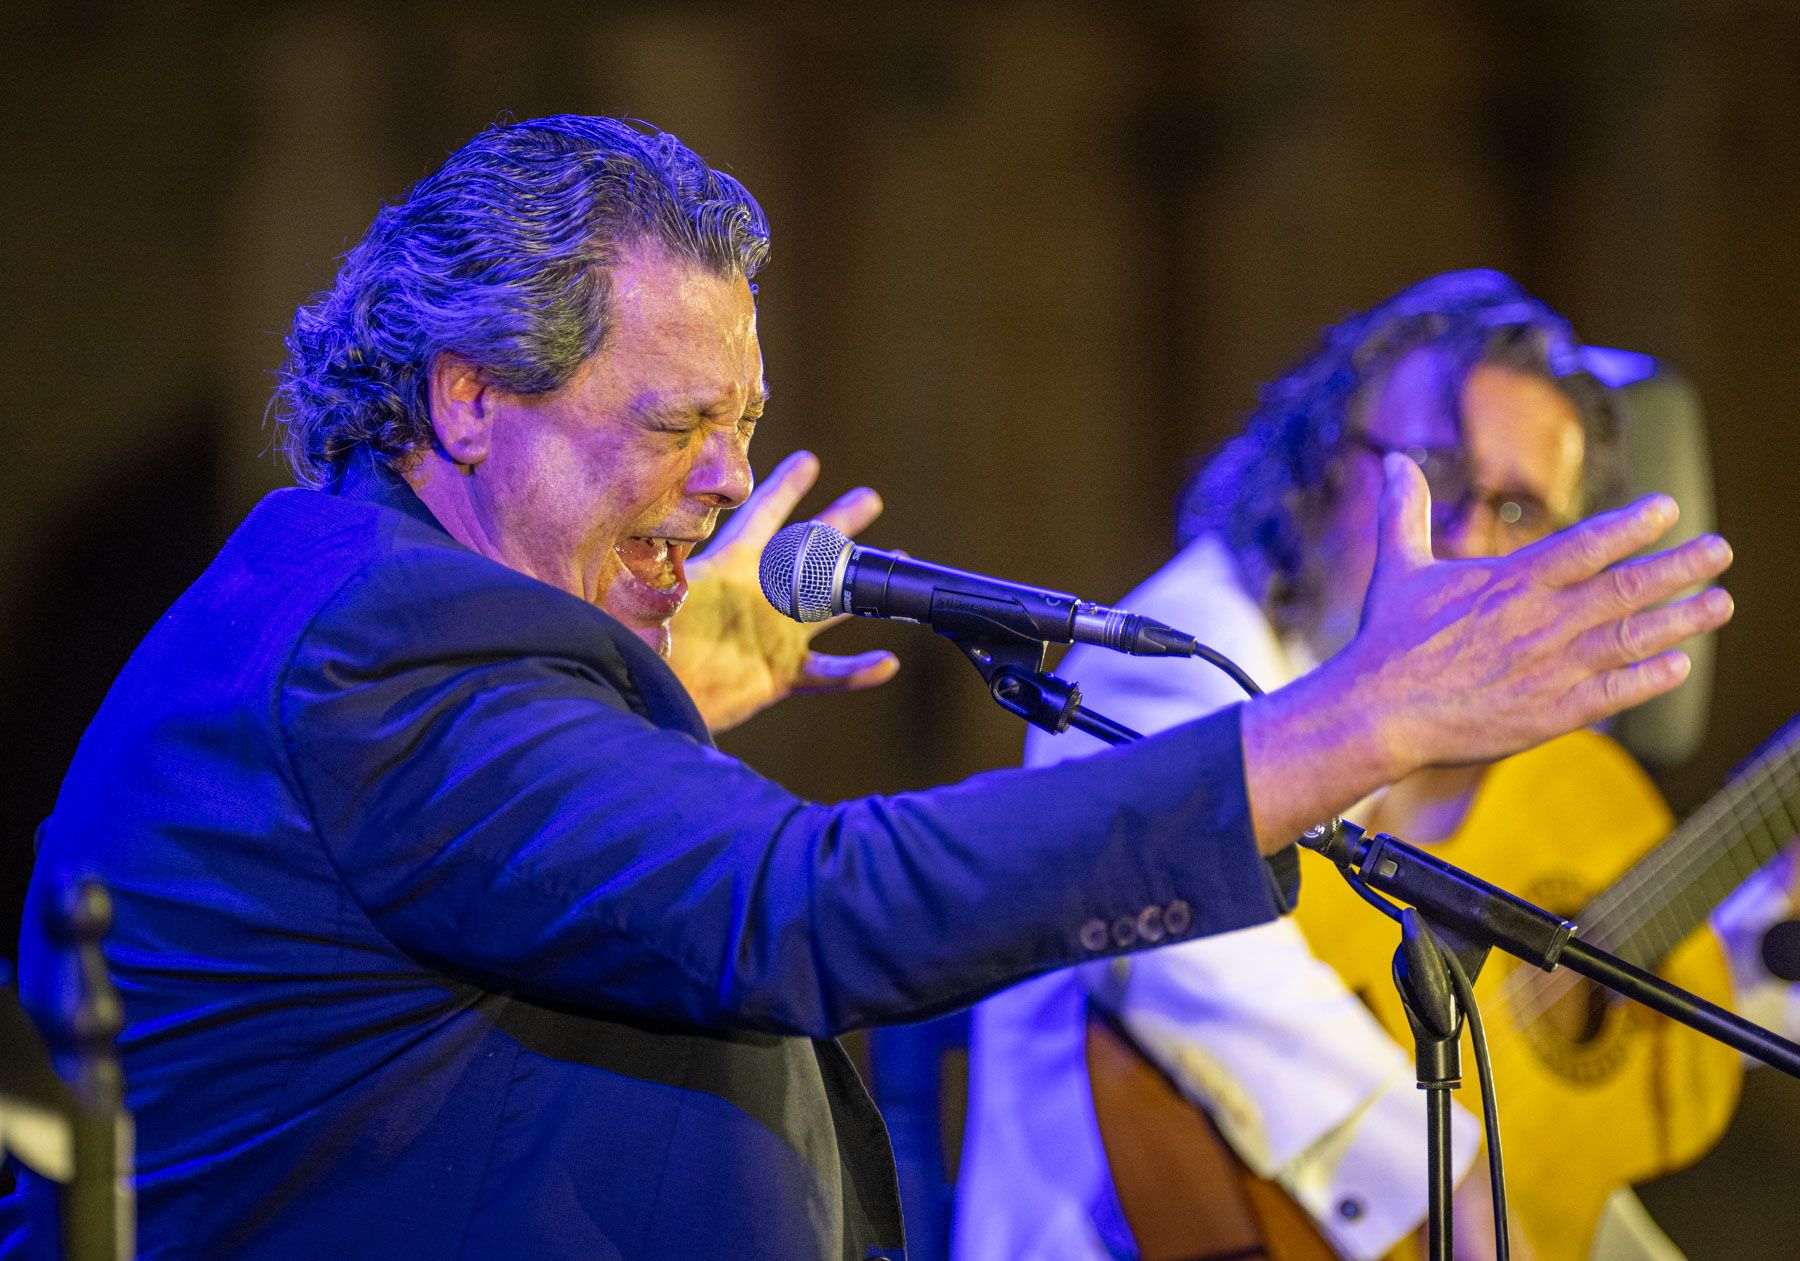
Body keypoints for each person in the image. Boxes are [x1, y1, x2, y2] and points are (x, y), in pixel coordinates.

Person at [11, 124, 1730, 1261]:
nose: (723, 481)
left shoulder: (385, 618)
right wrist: (1346, 730)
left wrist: (646, 717)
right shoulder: (389, 641)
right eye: (677, 420)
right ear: (469, 401)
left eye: (743, 421)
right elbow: (799, 906)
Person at [955, 271, 1757, 1261]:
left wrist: (1753, 931)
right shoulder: (1165, 654)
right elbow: (1190, 950)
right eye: (1435, 474)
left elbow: (1535, 971)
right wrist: (1447, 1167)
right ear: (1320, 459)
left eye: (1518, 509)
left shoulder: (1482, 724)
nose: (1465, 537)